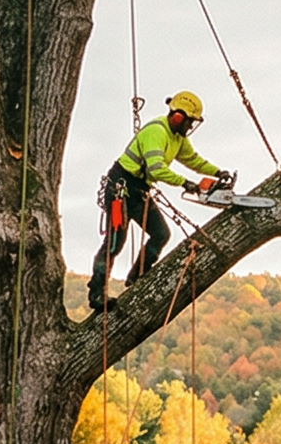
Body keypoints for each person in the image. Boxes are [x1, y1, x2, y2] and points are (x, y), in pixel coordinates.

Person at [89, 92, 232, 315]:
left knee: (161, 233)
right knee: (115, 241)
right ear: (178, 117)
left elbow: (192, 159)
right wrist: (185, 183)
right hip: (121, 188)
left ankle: (137, 276)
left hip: (140, 190)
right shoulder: (156, 131)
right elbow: (156, 168)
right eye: (189, 121)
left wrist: (216, 172)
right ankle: (97, 292)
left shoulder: (178, 139)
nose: (190, 126)